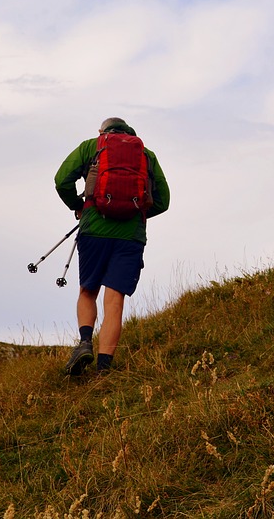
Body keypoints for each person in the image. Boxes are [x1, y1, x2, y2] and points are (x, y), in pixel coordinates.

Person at [54, 117, 170, 375]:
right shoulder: (146, 154)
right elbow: (163, 201)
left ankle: (85, 342)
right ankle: (103, 369)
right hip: (130, 237)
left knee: (88, 290)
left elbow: (62, 180)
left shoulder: (90, 147)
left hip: (94, 229)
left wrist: (78, 205)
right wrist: (135, 212)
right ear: (130, 133)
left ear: (102, 131)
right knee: (114, 301)